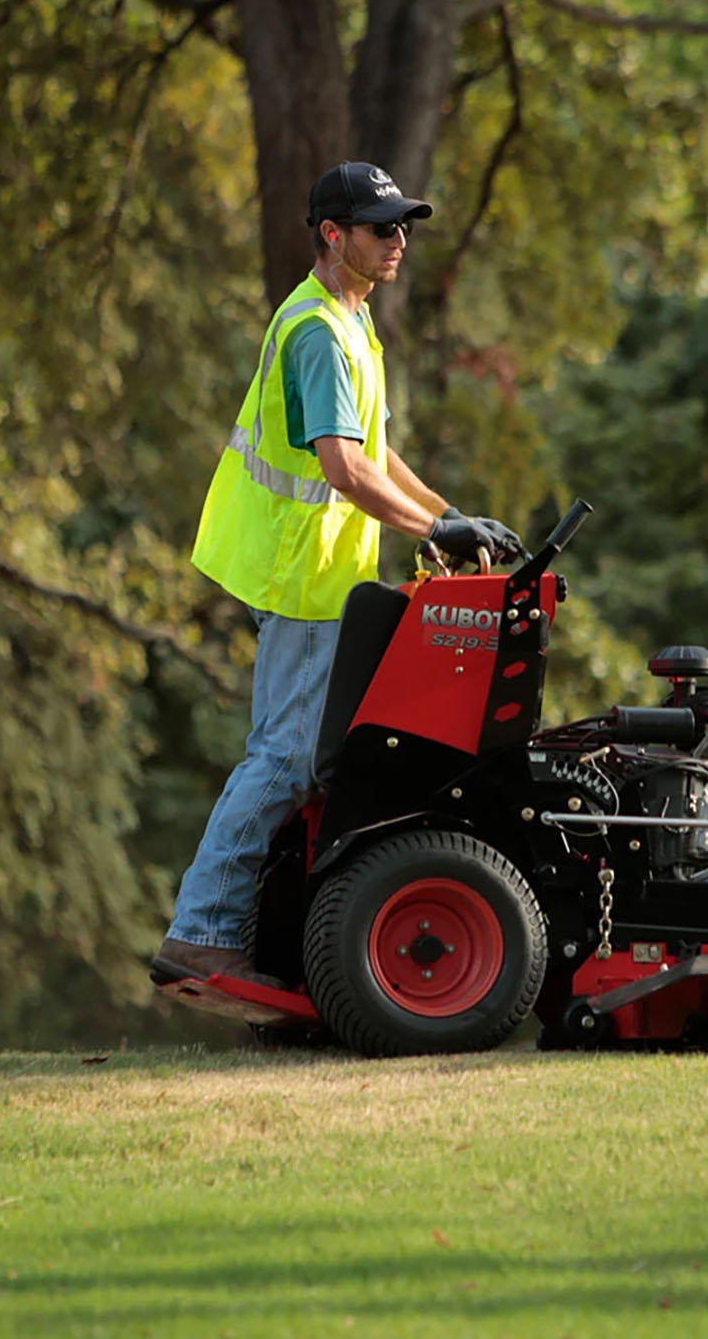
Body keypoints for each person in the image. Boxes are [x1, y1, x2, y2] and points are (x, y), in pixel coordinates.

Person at [153, 161, 523, 1004]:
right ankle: (201, 932)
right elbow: (344, 469)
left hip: (321, 573)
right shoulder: (317, 330)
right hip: (299, 575)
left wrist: (452, 516)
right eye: (381, 227)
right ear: (333, 235)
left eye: (404, 226)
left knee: (312, 763)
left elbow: (378, 454)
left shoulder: (353, 324)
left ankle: (259, 933)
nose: (399, 241)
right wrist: (435, 530)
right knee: (284, 759)